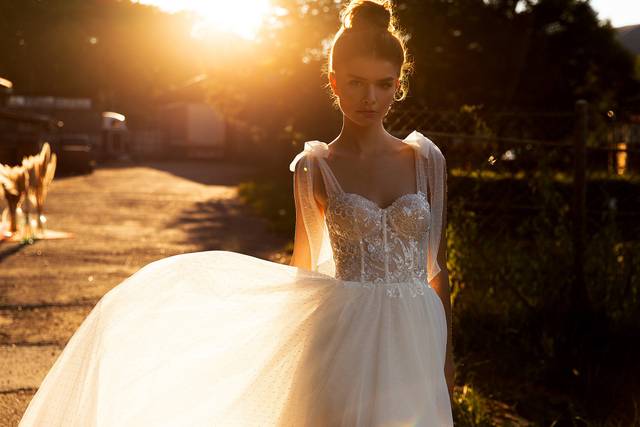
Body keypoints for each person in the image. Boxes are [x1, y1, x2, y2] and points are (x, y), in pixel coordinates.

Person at [18, 0, 453, 425]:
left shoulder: (425, 160)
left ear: (399, 84)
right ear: (334, 83)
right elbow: (305, 276)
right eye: (357, 83)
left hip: (417, 337)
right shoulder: (315, 167)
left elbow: (438, 272)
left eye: (383, 83)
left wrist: (447, 368)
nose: (371, 97)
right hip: (344, 342)